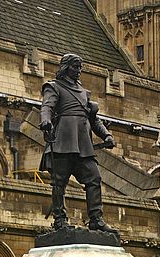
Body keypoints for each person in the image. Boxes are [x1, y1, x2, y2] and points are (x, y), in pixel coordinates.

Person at [39, 53, 118, 234]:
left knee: (94, 179)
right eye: (75, 67)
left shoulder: (84, 93)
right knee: (59, 183)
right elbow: (47, 107)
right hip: (63, 140)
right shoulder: (54, 87)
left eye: (80, 67)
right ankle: (59, 220)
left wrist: (106, 135)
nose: (78, 71)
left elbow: (93, 119)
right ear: (66, 67)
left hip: (83, 144)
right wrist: (45, 121)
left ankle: (96, 219)